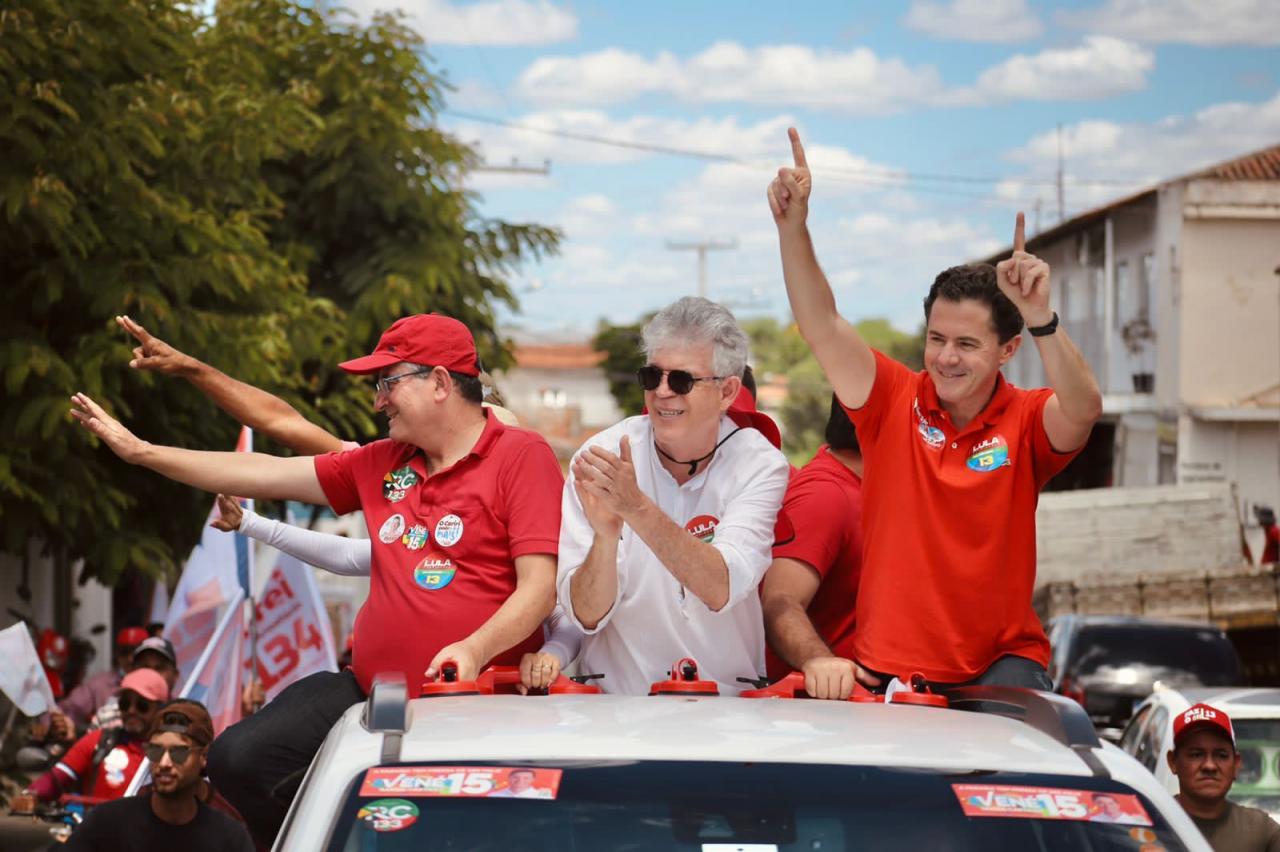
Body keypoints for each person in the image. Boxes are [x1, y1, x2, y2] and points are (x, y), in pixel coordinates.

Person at [71, 312, 563, 844]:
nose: (378, 401)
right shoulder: (383, 464)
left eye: (387, 383)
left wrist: (472, 649)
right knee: (239, 758)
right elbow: (263, 465)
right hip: (369, 690)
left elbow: (539, 590)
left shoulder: (522, 455)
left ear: (441, 382)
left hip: (477, 703)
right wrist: (142, 453)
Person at [768, 127, 1102, 690]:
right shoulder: (892, 399)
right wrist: (793, 229)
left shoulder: (1026, 420)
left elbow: (1084, 406)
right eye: (936, 338)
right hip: (888, 668)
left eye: (967, 344)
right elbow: (821, 324)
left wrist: (1040, 314)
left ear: (1008, 349)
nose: (946, 358)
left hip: (1003, 669)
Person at [558, 297, 790, 696]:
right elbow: (585, 615)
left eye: (681, 380)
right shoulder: (602, 456)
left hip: (726, 711)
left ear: (727, 391)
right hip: (617, 709)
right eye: (652, 377)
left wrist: (635, 507)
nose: (663, 393)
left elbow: (720, 585)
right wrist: (606, 537)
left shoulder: (759, 463)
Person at [210, 492, 583, 693]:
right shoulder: (419, 537)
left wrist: (550, 654)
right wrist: (250, 523)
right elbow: (345, 554)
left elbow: (566, 618)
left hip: (495, 711)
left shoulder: (530, 542)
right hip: (386, 702)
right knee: (245, 753)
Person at [761, 397, 863, 697]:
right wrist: (820, 663)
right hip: (829, 719)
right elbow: (779, 601)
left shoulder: (869, 488)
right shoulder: (825, 495)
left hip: (872, 710)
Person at [64, 701, 254, 852]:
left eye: (179, 752)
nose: (164, 763)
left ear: (203, 757)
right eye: (155, 750)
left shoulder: (229, 837)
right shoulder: (106, 824)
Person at [17, 669, 169, 806]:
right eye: (125, 703)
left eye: (142, 705)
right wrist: (31, 795)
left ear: (161, 709)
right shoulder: (100, 740)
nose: (131, 710)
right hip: (95, 833)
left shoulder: (170, 752)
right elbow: (58, 777)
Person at [1167, 703, 1280, 851]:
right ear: (1173, 762)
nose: (1209, 766)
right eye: (1196, 754)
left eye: (1221, 755)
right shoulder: (1149, 824)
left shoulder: (1261, 830)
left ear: (1236, 764)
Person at [488, 768, 553, 799]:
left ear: (533, 780)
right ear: (509, 778)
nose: (520, 780)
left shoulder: (544, 796)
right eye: (516, 777)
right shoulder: (494, 795)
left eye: (526, 778)